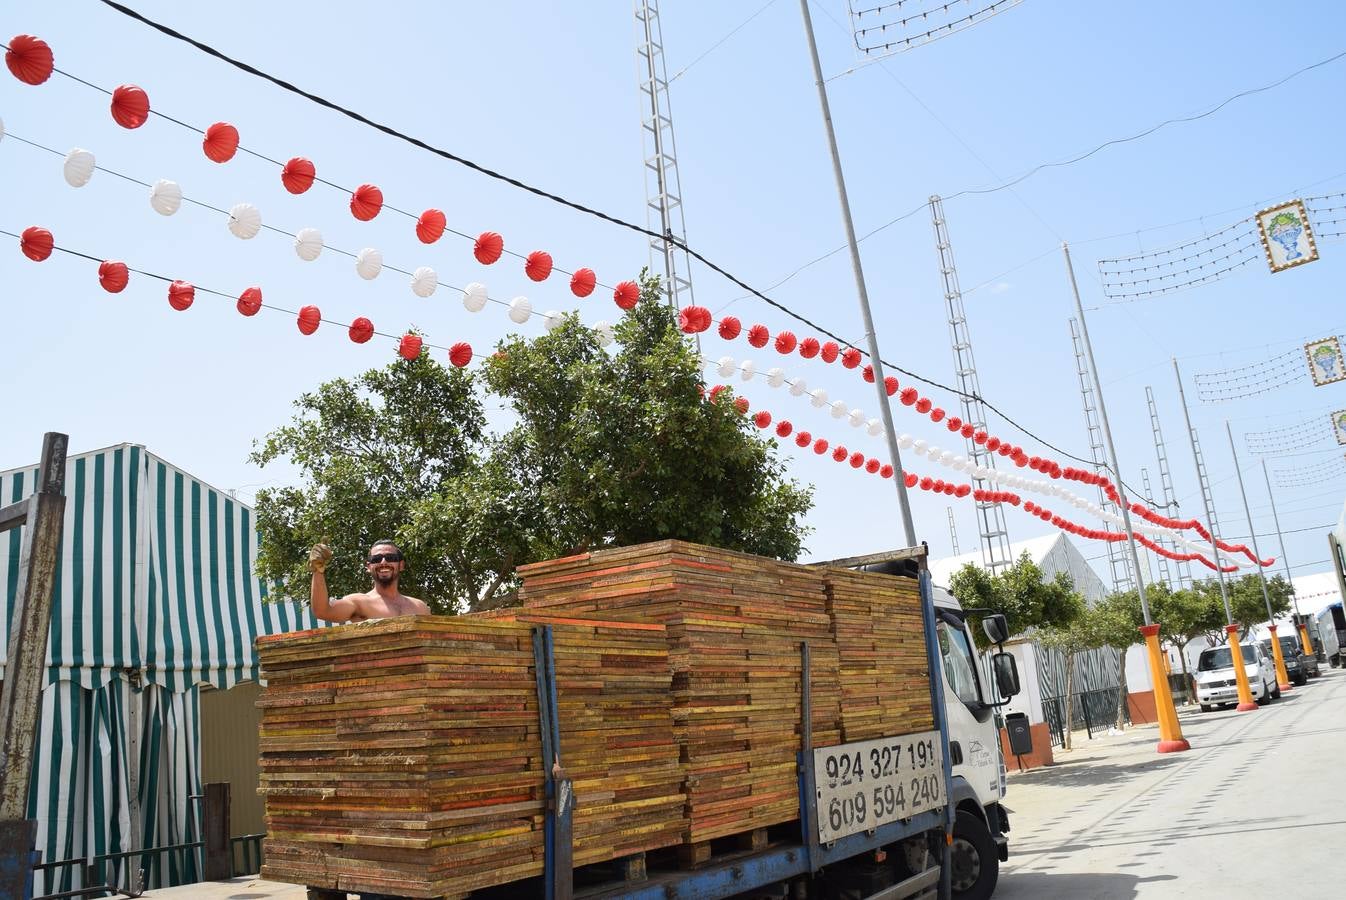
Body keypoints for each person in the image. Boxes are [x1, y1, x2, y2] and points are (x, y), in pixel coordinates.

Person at [308, 540, 432, 622]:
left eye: (390, 558)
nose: (383, 562)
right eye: (376, 559)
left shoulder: (420, 607)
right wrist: (318, 571)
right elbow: (323, 611)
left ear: (401, 565)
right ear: (368, 567)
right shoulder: (359, 602)